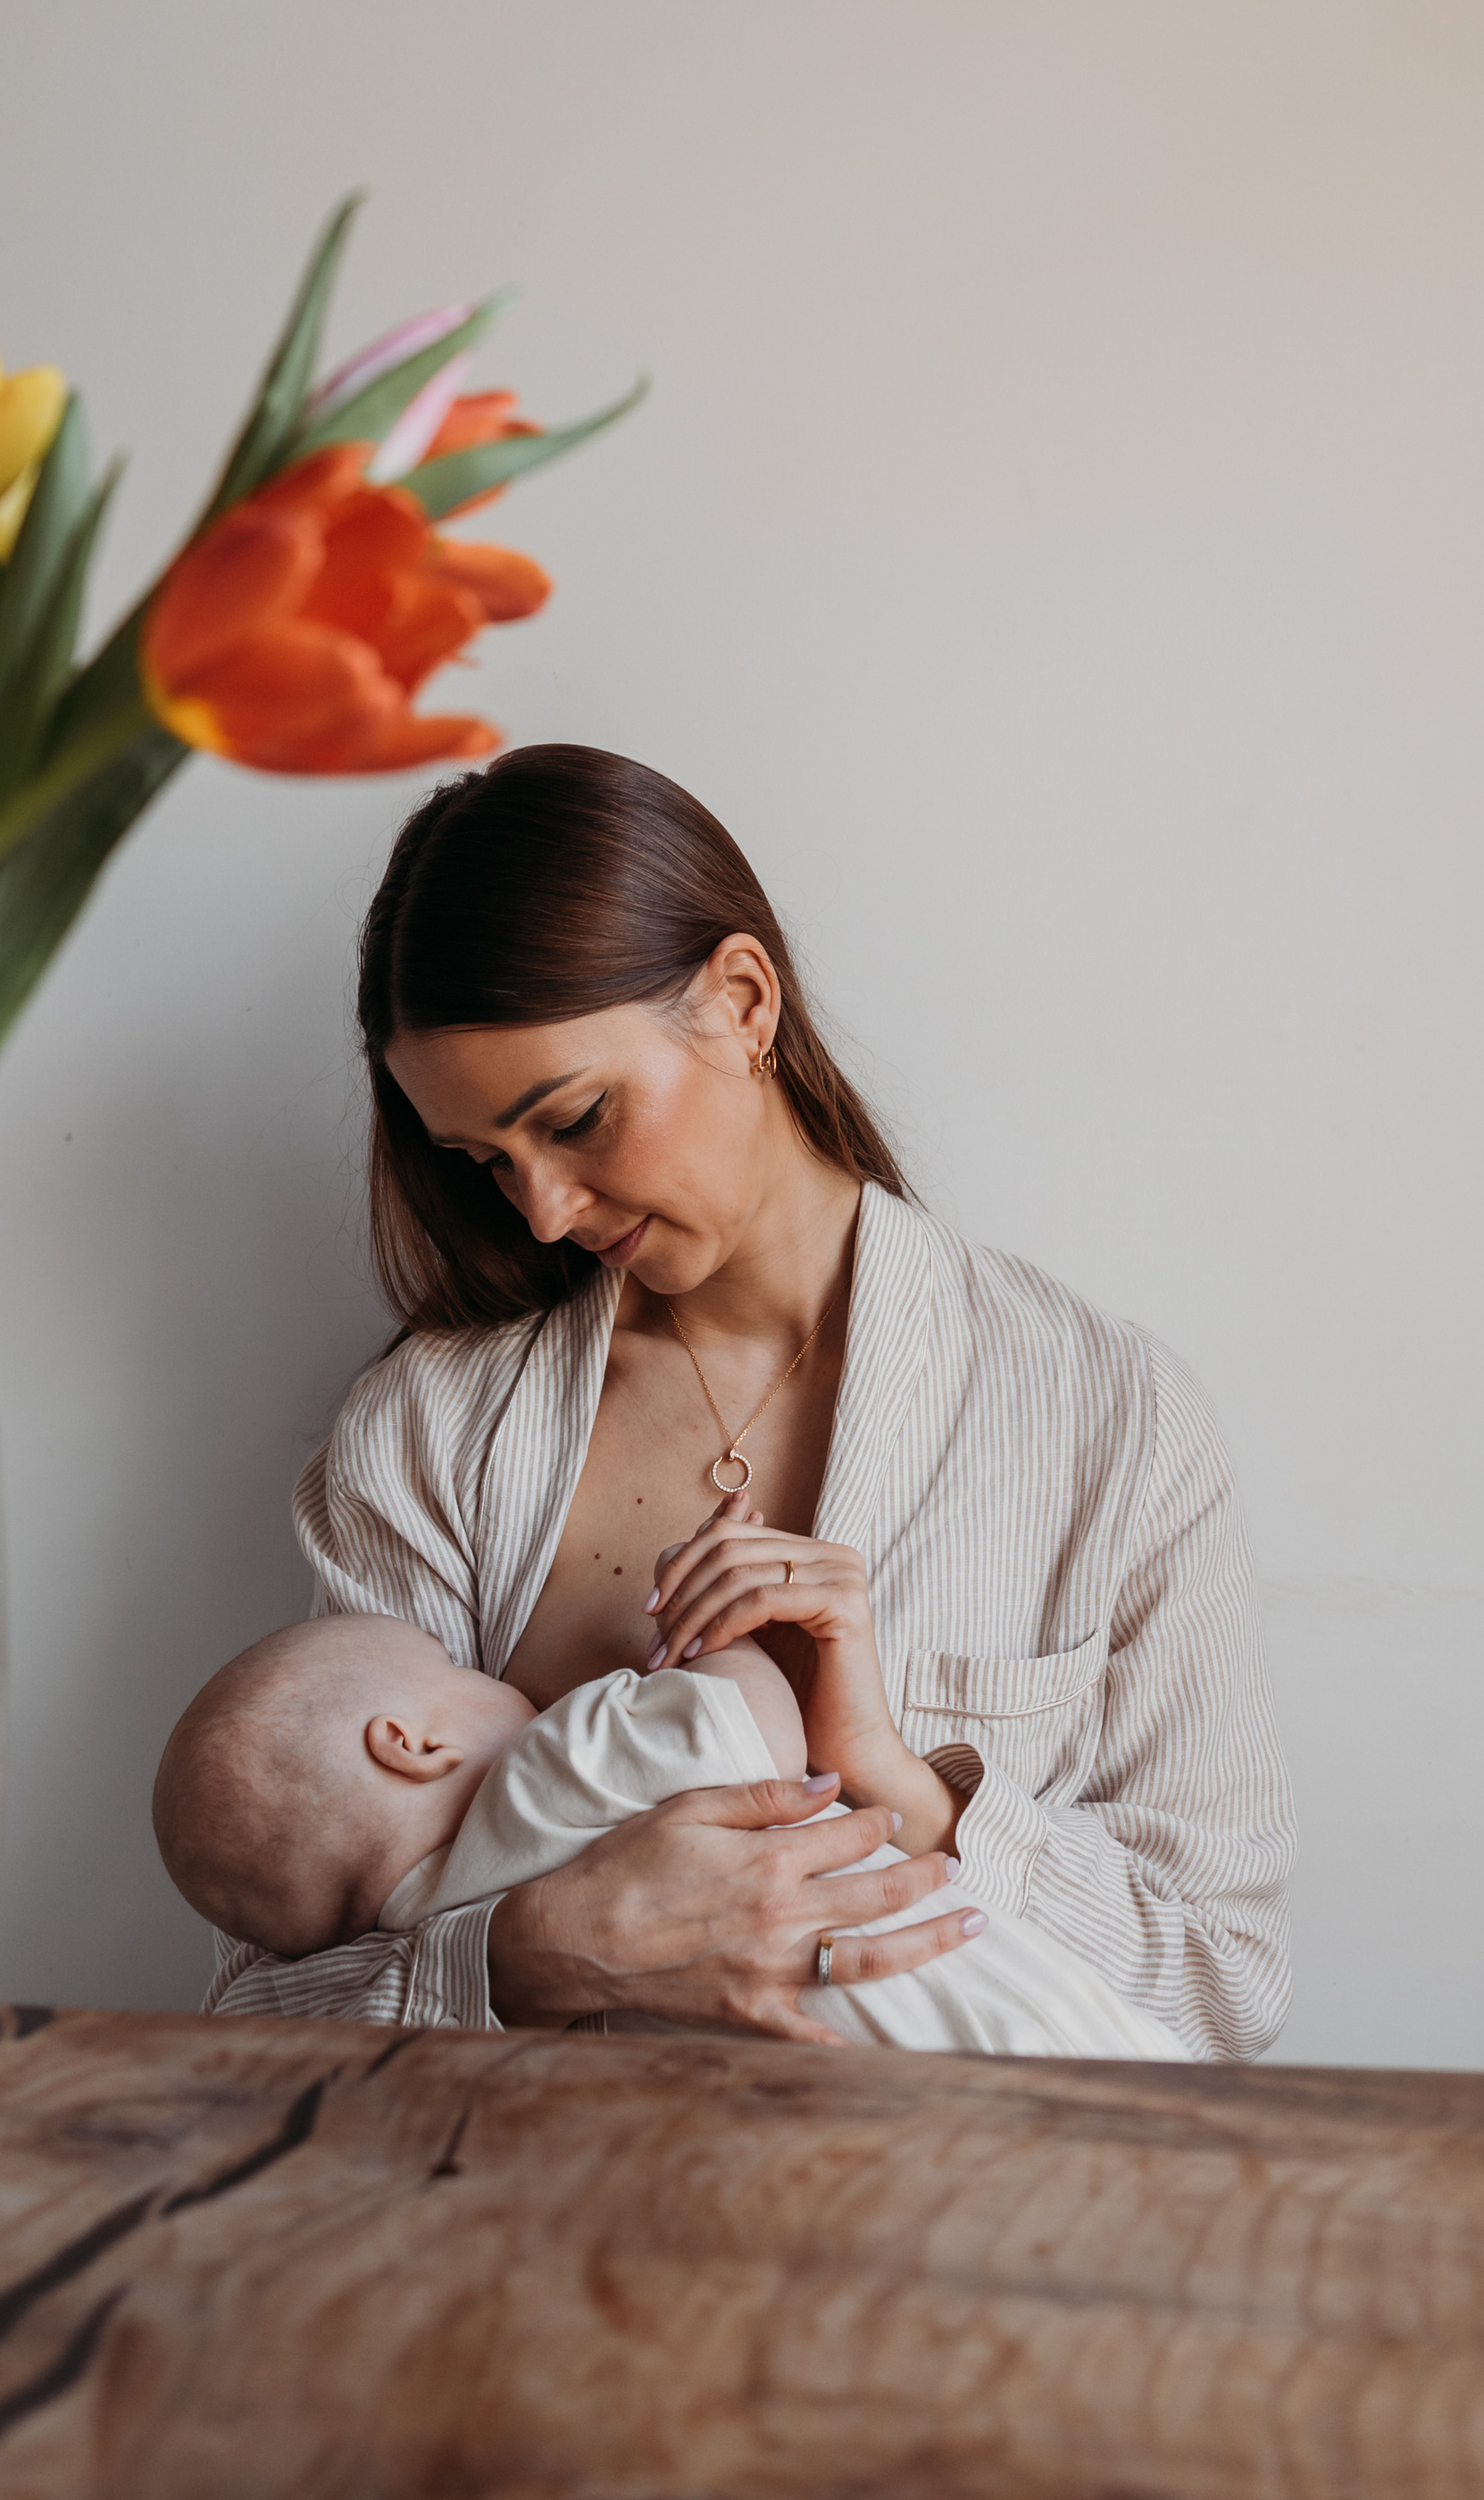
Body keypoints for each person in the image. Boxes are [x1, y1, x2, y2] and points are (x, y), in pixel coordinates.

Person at [204, 745, 1293, 2056]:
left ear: (741, 1001)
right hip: (541, 2227)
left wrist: (916, 1795)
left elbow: (1224, 1989)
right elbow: (261, 2008)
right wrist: (527, 1952)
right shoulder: (422, 1444)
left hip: (955, 2233)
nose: (542, 1209)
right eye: (485, 1161)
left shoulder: (1109, 1423)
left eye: (580, 1119)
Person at [154, 1609, 1190, 2059]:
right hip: (993, 2019)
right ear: (410, 1746)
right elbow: (750, 1732)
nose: (505, 1681)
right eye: (460, 1670)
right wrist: (717, 1646)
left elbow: (1222, 1971)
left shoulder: (419, 1929)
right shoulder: (550, 1776)